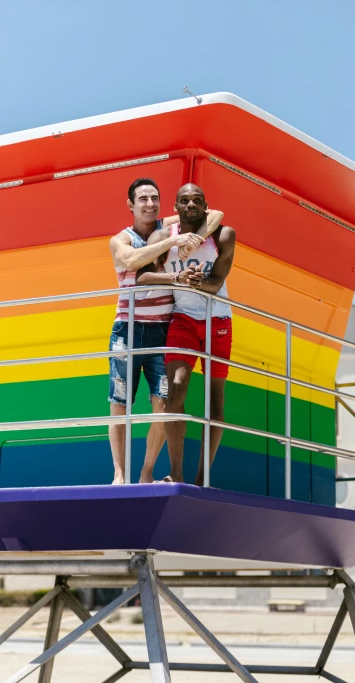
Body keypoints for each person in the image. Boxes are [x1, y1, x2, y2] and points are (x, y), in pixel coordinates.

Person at [108, 177, 223, 484]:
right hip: (127, 329)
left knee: (162, 403)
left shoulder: (166, 224)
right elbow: (132, 260)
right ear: (131, 205)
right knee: (120, 404)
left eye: (154, 198)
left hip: (163, 328)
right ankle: (119, 474)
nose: (150, 204)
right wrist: (173, 242)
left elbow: (215, 215)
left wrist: (194, 239)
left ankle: (146, 472)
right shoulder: (122, 238)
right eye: (143, 199)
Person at [136, 183, 236, 485]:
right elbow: (141, 276)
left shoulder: (223, 235)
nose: (190, 204)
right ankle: (176, 472)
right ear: (176, 208)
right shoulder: (163, 237)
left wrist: (194, 281)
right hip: (183, 319)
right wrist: (176, 277)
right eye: (184, 201)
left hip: (218, 320)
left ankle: (202, 477)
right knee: (175, 390)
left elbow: (217, 282)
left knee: (215, 401)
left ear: (205, 206)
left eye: (196, 200)